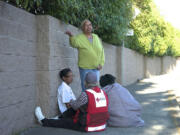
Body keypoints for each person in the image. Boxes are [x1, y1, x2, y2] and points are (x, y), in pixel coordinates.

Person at [35, 72, 109, 132]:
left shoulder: (86, 94)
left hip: (87, 126)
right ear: (96, 81)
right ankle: (57, 117)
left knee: (64, 122)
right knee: (78, 108)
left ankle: (43, 121)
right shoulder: (103, 93)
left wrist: (71, 101)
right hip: (102, 125)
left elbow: (75, 106)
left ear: (85, 82)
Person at [65, 19, 105, 91]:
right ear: (83, 28)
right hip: (85, 68)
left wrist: (101, 64)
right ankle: (86, 101)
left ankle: (94, 101)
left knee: (96, 88)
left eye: (90, 25)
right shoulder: (80, 37)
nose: (89, 27)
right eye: (86, 25)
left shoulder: (96, 37)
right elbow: (74, 43)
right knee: (86, 88)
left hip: (96, 68)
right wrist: (71, 36)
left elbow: (102, 51)